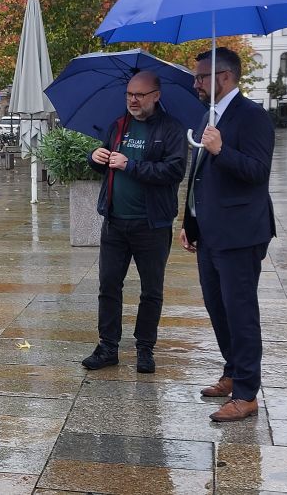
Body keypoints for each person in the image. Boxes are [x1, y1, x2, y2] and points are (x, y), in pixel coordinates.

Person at [180, 47, 276, 422]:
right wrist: (190, 223)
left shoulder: (253, 117)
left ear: (224, 77)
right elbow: (200, 177)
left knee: (240, 313)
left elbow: (257, 172)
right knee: (217, 307)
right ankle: (233, 371)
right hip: (210, 233)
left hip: (240, 235)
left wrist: (222, 151)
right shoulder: (210, 116)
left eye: (201, 76)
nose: (196, 83)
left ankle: (248, 393)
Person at [81, 70, 187, 374]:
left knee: (151, 290)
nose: (133, 100)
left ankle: (144, 349)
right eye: (129, 94)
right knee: (108, 286)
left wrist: (131, 165)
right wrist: (95, 158)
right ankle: (108, 347)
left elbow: (173, 172)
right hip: (115, 221)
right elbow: (107, 166)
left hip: (152, 224)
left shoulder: (171, 129)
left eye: (140, 95)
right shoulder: (118, 126)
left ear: (156, 96)